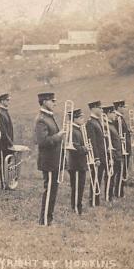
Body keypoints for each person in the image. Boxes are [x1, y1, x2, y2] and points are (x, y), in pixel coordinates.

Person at [34, 92, 64, 226]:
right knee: (49, 190)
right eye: (52, 100)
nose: (54, 103)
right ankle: (45, 221)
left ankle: (48, 219)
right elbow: (42, 141)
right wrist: (59, 136)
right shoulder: (42, 119)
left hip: (54, 160)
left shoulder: (49, 117)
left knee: (53, 191)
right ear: (45, 101)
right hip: (49, 161)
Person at [85, 101, 107, 208]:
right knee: (95, 179)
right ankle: (93, 202)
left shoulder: (97, 121)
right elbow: (92, 142)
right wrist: (96, 157)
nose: (102, 110)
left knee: (99, 178)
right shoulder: (90, 123)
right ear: (93, 108)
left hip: (101, 156)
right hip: (96, 157)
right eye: (100, 108)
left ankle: (96, 201)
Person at [67, 108, 88, 215]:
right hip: (75, 165)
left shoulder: (78, 130)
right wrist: (86, 149)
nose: (83, 119)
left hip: (80, 164)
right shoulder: (73, 131)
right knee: (76, 188)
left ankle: (78, 208)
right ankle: (75, 209)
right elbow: (74, 148)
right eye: (80, 117)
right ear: (74, 119)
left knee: (80, 187)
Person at [103, 105, 123, 202]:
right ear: (108, 113)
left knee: (113, 175)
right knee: (110, 176)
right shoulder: (106, 125)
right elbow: (107, 141)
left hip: (117, 154)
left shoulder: (111, 124)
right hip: (112, 155)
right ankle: (108, 197)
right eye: (113, 113)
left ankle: (110, 196)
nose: (115, 115)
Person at [0, 93, 15, 190]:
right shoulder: (0, 113)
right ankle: (4, 184)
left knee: (9, 163)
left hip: (8, 143)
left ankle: (8, 183)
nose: (9, 102)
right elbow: (3, 131)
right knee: (4, 164)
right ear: (2, 101)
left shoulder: (5, 112)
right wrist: (10, 143)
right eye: (7, 100)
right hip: (3, 144)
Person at [114, 100, 132, 196]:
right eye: (124, 107)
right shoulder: (117, 119)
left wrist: (128, 132)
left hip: (125, 148)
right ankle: (118, 192)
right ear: (119, 107)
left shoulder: (120, 118)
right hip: (122, 149)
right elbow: (118, 134)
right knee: (121, 171)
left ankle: (120, 191)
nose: (125, 109)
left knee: (123, 171)